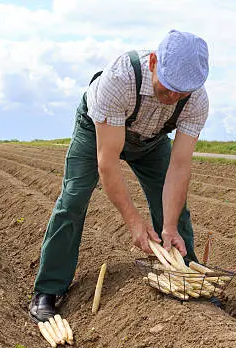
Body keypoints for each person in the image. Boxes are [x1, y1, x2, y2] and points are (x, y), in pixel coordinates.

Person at [29, 29, 210, 322]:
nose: (174, 96)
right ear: (153, 62)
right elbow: (108, 162)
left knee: (176, 213)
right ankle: (49, 289)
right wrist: (135, 224)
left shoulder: (197, 101)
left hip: (150, 140)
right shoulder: (119, 80)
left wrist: (170, 225)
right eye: (169, 87)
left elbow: (179, 167)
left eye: (183, 91)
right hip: (97, 131)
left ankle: (185, 276)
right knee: (72, 200)